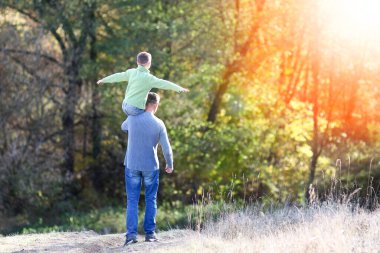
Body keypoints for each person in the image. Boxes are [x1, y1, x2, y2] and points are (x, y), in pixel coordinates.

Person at [121, 92, 174, 246]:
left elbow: (123, 127)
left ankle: (131, 236)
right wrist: (169, 164)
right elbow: (167, 148)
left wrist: (133, 111)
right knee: (151, 199)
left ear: (143, 103)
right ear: (156, 105)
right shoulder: (159, 124)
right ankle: (150, 234)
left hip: (132, 165)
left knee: (132, 200)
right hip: (151, 166)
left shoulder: (131, 118)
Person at [97, 51, 189, 117]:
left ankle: (127, 124)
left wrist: (103, 80)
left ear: (137, 62)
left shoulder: (131, 72)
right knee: (148, 115)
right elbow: (164, 84)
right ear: (149, 63)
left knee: (140, 112)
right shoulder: (149, 78)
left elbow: (117, 76)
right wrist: (179, 89)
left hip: (125, 105)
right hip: (134, 109)